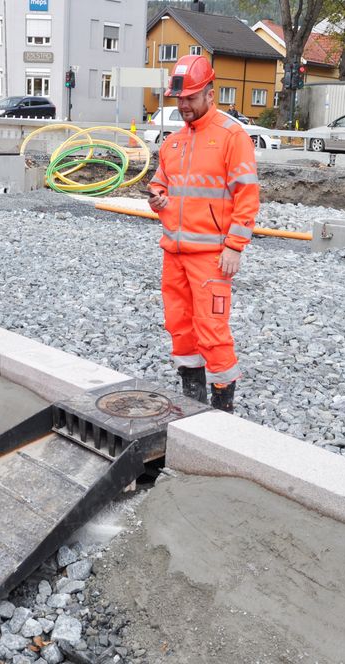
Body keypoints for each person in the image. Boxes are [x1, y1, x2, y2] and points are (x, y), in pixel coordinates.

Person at [146, 55, 260, 413]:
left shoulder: (231, 137)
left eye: (191, 98)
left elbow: (247, 195)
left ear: (210, 94)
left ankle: (222, 411)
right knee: (179, 326)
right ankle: (192, 400)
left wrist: (235, 246)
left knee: (212, 329)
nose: (184, 106)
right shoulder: (173, 143)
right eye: (179, 99)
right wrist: (156, 197)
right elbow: (159, 182)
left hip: (211, 256)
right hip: (174, 253)